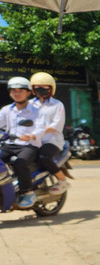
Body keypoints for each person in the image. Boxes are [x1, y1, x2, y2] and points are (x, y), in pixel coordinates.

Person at [0, 76, 45, 208]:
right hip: (10, 144)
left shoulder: (36, 110)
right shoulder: (6, 110)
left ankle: (27, 191)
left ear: (28, 93)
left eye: (20, 90)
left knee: (20, 162)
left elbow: (41, 127)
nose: (17, 93)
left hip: (29, 145)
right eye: (14, 91)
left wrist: (31, 135)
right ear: (10, 93)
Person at [30, 72, 69, 193]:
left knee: (43, 157)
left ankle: (63, 181)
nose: (40, 90)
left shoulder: (57, 105)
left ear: (51, 88)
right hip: (33, 140)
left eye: (44, 88)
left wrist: (38, 131)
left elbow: (57, 124)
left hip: (52, 141)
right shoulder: (30, 104)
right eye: (37, 88)